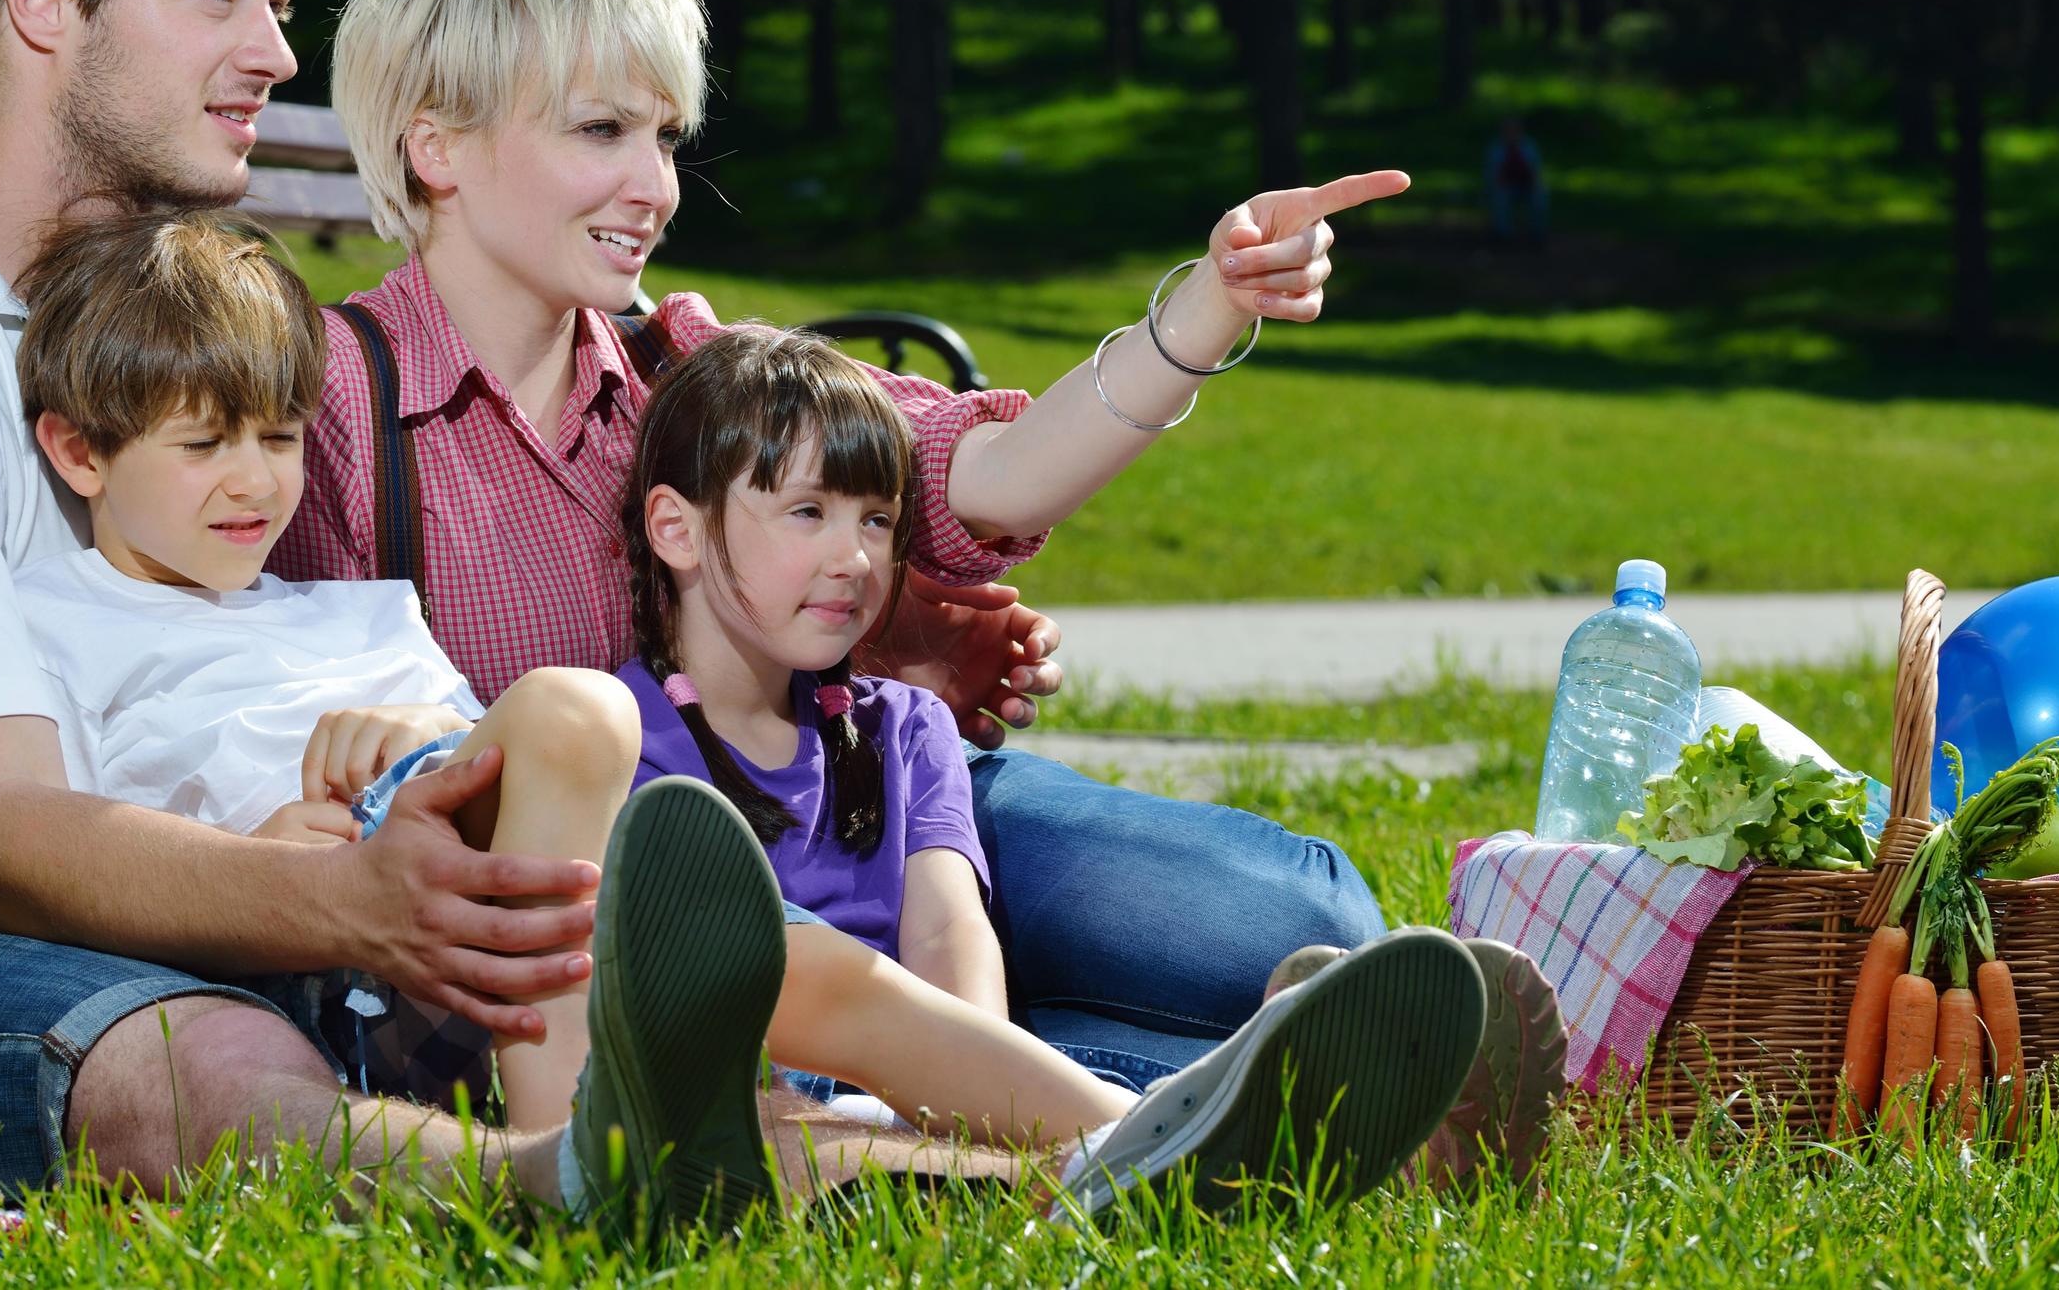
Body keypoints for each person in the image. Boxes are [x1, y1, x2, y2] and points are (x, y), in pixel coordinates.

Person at [0, 0, 963, 1214]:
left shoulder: (184, 326)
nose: (281, 54)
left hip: (227, 880)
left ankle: (1043, 1148)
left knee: (667, 959)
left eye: (279, 2)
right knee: (206, 1065)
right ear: (42, 1)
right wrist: (345, 904)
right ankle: (554, 1189)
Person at [9, 209, 1498, 1214]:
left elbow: (473, 758)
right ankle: (568, 1143)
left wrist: (412, 746)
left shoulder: (349, 612)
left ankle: (1124, 1149)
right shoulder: (61, 633)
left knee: (802, 994)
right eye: (209, 444)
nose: (258, 483)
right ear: (76, 451)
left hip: (523, 897)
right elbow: (89, 865)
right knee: (584, 720)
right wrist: (301, 834)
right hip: (397, 965)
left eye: (278, 439)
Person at [277, 0, 1428, 1097]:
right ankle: (1249, 1095)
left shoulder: (689, 367)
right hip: (620, 929)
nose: (654, 185)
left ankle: (1191, 1079)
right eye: (601, 130)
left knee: (1304, 910)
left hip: (844, 808)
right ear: (437, 147)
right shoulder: (328, 408)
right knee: (1213, 1009)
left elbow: (978, 468)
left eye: (666, 136)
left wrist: (1208, 307)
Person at [618, 320, 1513, 1209]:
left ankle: (1358, 1130)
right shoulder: (618, 742)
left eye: (878, 520)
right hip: (770, 1093)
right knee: (854, 1129)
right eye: (808, 511)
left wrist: (961, 1103)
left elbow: (946, 931)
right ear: (678, 529)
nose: (855, 558)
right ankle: (1275, 1153)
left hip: (943, 1075)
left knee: (1138, 1071)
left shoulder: (904, 726)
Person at [1484, 117, 1549, 246]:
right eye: (1508, 130)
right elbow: (1493, 174)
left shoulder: (1529, 147)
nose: (1511, 133)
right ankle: (1504, 235)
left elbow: (1535, 171)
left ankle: (1537, 235)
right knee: (1500, 197)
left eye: (1514, 130)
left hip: (1527, 186)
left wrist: (1537, 186)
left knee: (1538, 198)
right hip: (1506, 187)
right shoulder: (1496, 149)